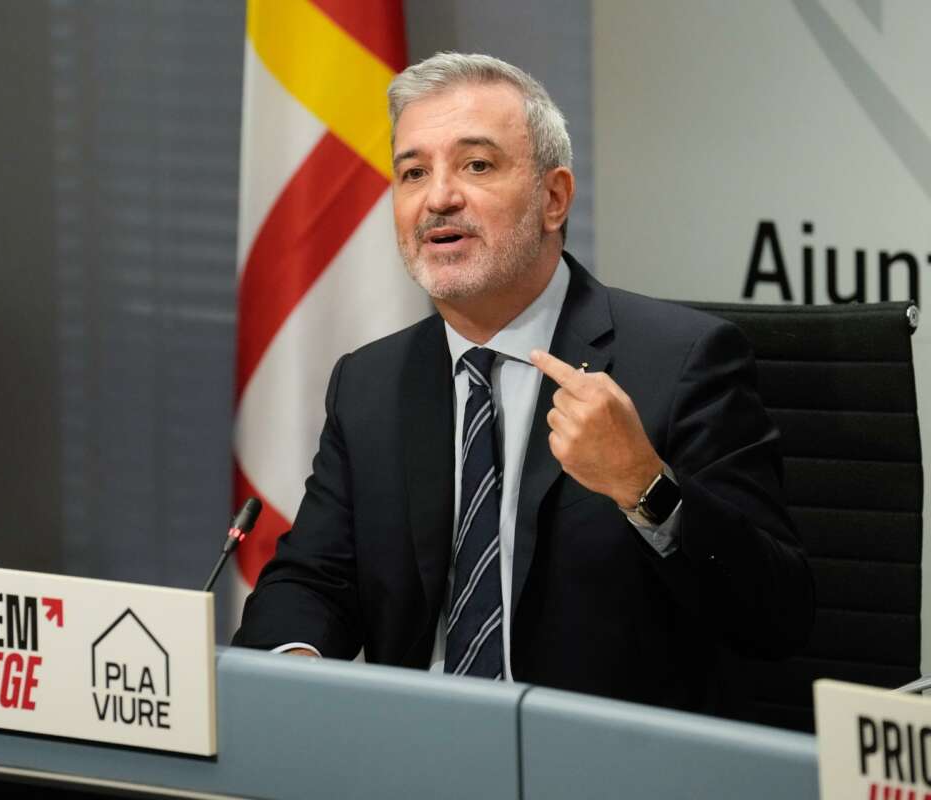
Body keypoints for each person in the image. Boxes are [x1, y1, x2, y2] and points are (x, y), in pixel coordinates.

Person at [232, 52, 813, 713]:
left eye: (476, 165)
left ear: (554, 198)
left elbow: (779, 616)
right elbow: (312, 582)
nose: (439, 197)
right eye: (413, 172)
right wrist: (297, 666)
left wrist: (645, 487)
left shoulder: (683, 363)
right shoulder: (370, 383)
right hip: (416, 759)